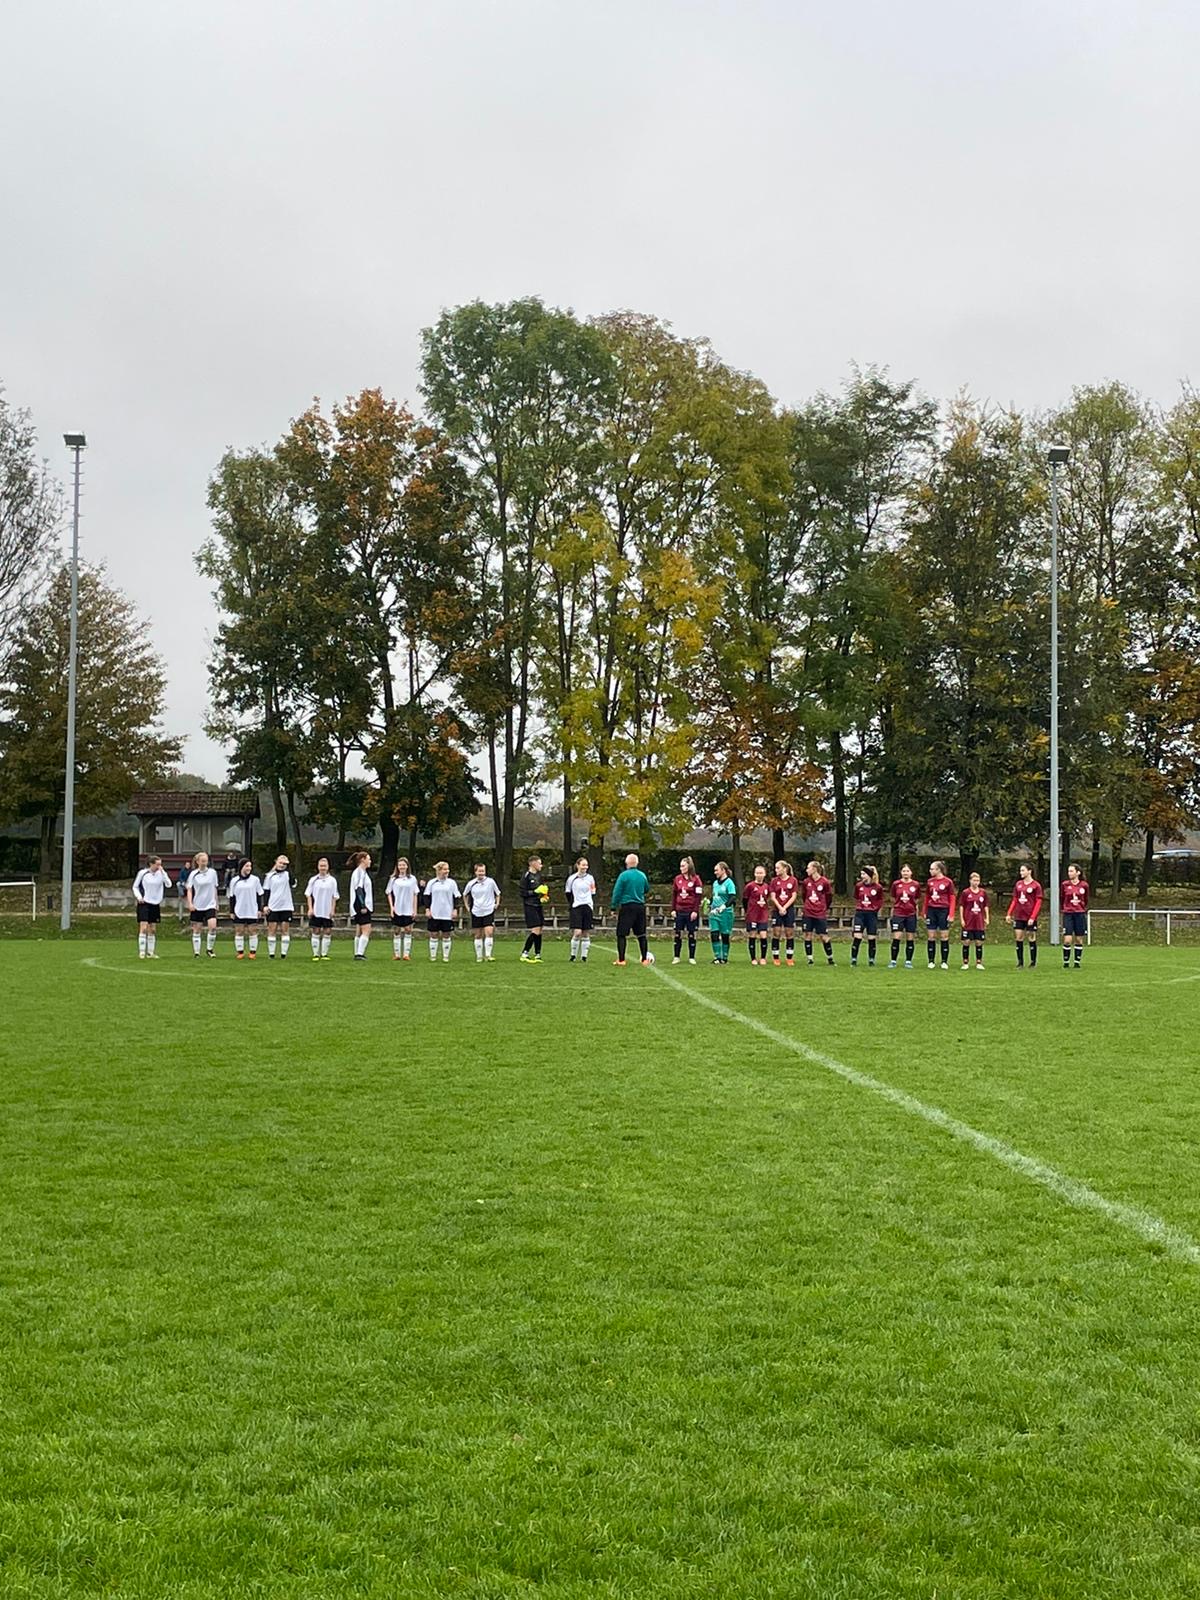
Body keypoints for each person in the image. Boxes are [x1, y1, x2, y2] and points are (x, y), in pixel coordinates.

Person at [610, 852, 651, 967]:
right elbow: (647, 889)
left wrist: (613, 906)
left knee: (621, 934)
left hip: (627, 906)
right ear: (637, 863)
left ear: (627, 863)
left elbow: (617, 892)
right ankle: (644, 959)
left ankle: (622, 959)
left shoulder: (623, 876)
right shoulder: (642, 875)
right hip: (640, 906)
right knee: (641, 934)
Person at [132, 855, 172, 959]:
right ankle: (141, 952)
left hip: (155, 903)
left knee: (152, 929)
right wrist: (139, 897)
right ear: (151, 864)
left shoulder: (161, 874)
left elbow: (168, 884)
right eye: (157, 864)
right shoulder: (143, 873)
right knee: (144, 927)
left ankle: (151, 952)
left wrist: (163, 873)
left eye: (160, 864)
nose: (159, 866)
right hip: (144, 903)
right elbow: (135, 886)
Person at [1006, 863, 1043, 968]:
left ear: (1029, 871)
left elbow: (1038, 902)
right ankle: (1020, 962)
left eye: (1023, 870)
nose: (1021, 873)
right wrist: (1009, 913)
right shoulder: (1018, 884)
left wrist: (1032, 917)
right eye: (1020, 871)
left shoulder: (1036, 885)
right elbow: (1014, 900)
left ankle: (1033, 962)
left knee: (1031, 937)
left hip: (1030, 916)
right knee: (1019, 937)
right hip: (1019, 915)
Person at [463, 863, 501, 962]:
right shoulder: (471, 883)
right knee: (478, 934)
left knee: (489, 932)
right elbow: (465, 895)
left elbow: (498, 893)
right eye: (479, 871)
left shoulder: (491, 882)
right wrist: (467, 906)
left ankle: (488, 955)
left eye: (483, 871)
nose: (481, 873)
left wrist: (496, 903)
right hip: (476, 911)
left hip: (488, 910)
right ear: (475, 872)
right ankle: (479, 956)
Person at [923, 860, 957, 970]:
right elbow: (927, 897)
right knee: (931, 936)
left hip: (943, 910)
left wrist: (951, 913)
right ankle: (931, 961)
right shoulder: (930, 882)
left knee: (944, 936)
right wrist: (924, 911)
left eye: (932, 869)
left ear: (938, 870)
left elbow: (952, 898)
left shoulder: (948, 882)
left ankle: (944, 961)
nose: (930, 871)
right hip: (932, 911)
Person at [670, 855, 704, 965]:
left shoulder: (696, 879)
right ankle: (676, 956)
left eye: (683, 866)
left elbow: (698, 896)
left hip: (690, 911)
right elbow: (674, 895)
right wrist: (673, 909)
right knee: (677, 933)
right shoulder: (677, 879)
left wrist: (695, 910)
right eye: (680, 866)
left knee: (692, 934)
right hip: (679, 910)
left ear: (689, 866)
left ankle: (691, 957)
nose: (681, 868)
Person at [186, 850, 220, 958]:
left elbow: (214, 888)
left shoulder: (212, 873)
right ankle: (196, 952)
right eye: (203, 861)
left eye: (206, 861)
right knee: (197, 929)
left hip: (210, 904)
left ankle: (209, 949)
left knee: (213, 927)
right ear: (197, 862)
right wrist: (190, 903)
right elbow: (189, 890)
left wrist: (216, 902)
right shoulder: (193, 874)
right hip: (198, 905)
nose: (205, 863)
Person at [230, 858, 264, 960]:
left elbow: (259, 895)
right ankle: (240, 952)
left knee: (252, 930)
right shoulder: (234, 881)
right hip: (239, 910)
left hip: (252, 909)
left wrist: (259, 909)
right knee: (239, 931)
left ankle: (252, 952)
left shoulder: (255, 880)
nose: (249, 868)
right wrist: (231, 911)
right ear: (241, 867)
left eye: (250, 866)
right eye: (247, 866)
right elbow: (232, 897)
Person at [262, 855, 296, 959]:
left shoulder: (288, 874)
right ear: (276, 862)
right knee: (272, 930)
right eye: (280, 863)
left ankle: (283, 954)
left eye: (284, 864)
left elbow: (293, 883)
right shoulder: (270, 876)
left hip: (286, 906)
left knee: (285, 930)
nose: (282, 865)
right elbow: (266, 891)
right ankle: (271, 954)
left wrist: (289, 867)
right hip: (273, 907)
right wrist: (265, 905)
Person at [386, 857, 420, 961]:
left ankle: (406, 954)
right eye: (400, 865)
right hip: (397, 908)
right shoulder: (393, 879)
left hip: (408, 908)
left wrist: (415, 909)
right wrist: (392, 908)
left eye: (404, 865)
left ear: (407, 866)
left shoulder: (412, 879)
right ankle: (396, 954)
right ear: (397, 866)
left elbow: (415, 894)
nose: (402, 867)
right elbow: (388, 893)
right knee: (396, 930)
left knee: (408, 930)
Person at [802, 860, 835, 966]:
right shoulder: (806, 882)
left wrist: (824, 907)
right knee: (807, 934)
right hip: (808, 912)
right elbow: (804, 895)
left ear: (814, 869)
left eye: (808, 867)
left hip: (820, 913)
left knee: (823, 936)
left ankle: (830, 958)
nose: (807, 870)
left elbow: (829, 897)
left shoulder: (824, 882)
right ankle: (810, 959)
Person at [426, 861, 461, 961]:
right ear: (439, 870)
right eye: (445, 869)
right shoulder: (432, 883)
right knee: (433, 934)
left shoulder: (452, 883)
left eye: (448, 869)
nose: (447, 871)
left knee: (446, 934)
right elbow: (427, 896)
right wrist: (428, 909)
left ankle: (446, 957)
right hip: (435, 913)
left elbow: (456, 897)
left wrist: (455, 909)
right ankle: (433, 956)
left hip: (447, 913)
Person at [305, 858, 339, 961]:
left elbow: (335, 896)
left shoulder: (332, 880)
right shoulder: (313, 880)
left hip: (327, 910)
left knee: (327, 931)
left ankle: (324, 954)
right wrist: (310, 908)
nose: (323, 868)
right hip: (316, 910)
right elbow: (308, 895)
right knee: (316, 930)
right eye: (321, 866)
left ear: (328, 867)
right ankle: (315, 954)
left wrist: (333, 910)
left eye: (325, 866)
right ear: (318, 867)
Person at [565, 857, 597, 963]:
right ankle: (573, 955)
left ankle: (584, 957)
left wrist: (589, 904)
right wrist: (573, 903)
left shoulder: (590, 878)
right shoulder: (571, 879)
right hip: (576, 906)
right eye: (583, 865)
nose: (585, 867)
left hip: (587, 906)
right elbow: (568, 893)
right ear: (578, 865)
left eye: (586, 865)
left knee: (585, 932)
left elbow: (593, 892)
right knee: (577, 932)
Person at [888, 865, 920, 969]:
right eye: (904, 871)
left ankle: (908, 961)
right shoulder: (896, 884)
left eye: (907, 871)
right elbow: (893, 898)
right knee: (896, 937)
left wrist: (914, 909)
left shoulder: (915, 884)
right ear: (901, 873)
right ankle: (893, 961)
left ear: (911, 873)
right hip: (898, 913)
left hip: (910, 914)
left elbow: (917, 899)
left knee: (910, 938)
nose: (905, 873)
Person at [850, 866, 883, 967]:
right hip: (860, 913)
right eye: (861, 874)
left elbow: (880, 900)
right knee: (857, 936)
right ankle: (854, 959)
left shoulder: (878, 887)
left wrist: (874, 909)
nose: (862, 876)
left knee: (871, 938)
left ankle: (871, 960)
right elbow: (856, 898)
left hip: (871, 915)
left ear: (869, 875)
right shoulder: (858, 886)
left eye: (863, 874)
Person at [768, 860, 799, 967]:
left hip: (788, 910)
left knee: (789, 933)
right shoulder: (774, 881)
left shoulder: (793, 880)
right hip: (777, 910)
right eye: (775, 868)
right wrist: (780, 907)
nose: (775, 870)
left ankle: (789, 958)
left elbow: (794, 896)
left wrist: (785, 907)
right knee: (776, 933)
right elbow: (772, 896)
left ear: (784, 869)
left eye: (778, 868)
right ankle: (776, 958)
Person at [519, 855, 548, 963]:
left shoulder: (539, 876)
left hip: (538, 905)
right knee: (535, 930)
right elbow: (522, 893)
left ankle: (537, 954)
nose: (541, 865)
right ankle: (525, 952)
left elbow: (542, 889)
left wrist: (544, 897)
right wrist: (534, 892)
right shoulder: (526, 876)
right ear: (533, 863)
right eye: (539, 863)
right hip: (529, 906)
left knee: (539, 930)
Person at [708, 861, 737, 965]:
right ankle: (717, 957)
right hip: (714, 912)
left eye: (717, 870)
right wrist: (709, 903)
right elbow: (715, 896)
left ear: (723, 870)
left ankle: (724, 958)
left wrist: (724, 906)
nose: (715, 872)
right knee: (714, 934)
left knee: (725, 935)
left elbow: (732, 897)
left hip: (726, 913)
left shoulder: (729, 882)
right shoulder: (715, 883)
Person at [959, 871, 989, 970]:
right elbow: (961, 906)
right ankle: (965, 962)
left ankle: (979, 962)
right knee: (966, 941)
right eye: (974, 880)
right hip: (968, 920)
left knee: (979, 942)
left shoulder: (983, 893)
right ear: (970, 881)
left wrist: (987, 918)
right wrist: (962, 919)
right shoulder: (965, 892)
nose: (976, 882)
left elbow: (985, 906)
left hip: (979, 921)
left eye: (978, 880)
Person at [743, 865, 772, 966]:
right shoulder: (750, 886)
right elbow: (745, 900)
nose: (759, 875)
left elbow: (767, 898)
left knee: (763, 935)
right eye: (757, 873)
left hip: (763, 914)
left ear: (764, 874)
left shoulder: (767, 887)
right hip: (752, 915)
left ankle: (763, 958)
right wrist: (749, 911)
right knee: (753, 935)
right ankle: (753, 958)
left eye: (761, 873)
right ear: (754, 874)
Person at [1061, 864, 1089, 968]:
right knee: (1067, 939)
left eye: (1072, 871)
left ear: (1078, 872)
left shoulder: (1084, 885)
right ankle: (1066, 962)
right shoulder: (1064, 884)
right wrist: (1065, 908)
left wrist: (1080, 908)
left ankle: (1077, 962)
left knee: (1079, 939)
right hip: (1068, 913)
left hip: (1079, 914)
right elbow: (1062, 898)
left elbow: (1085, 900)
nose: (1069, 873)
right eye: (1069, 871)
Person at [348, 850, 374, 961]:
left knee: (359, 929)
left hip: (360, 904)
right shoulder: (359, 873)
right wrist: (363, 905)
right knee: (366, 929)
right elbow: (359, 889)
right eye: (368, 859)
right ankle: (359, 953)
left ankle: (357, 953)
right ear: (363, 860)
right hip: (360, 904)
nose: (370, 861)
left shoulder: (362, 872)